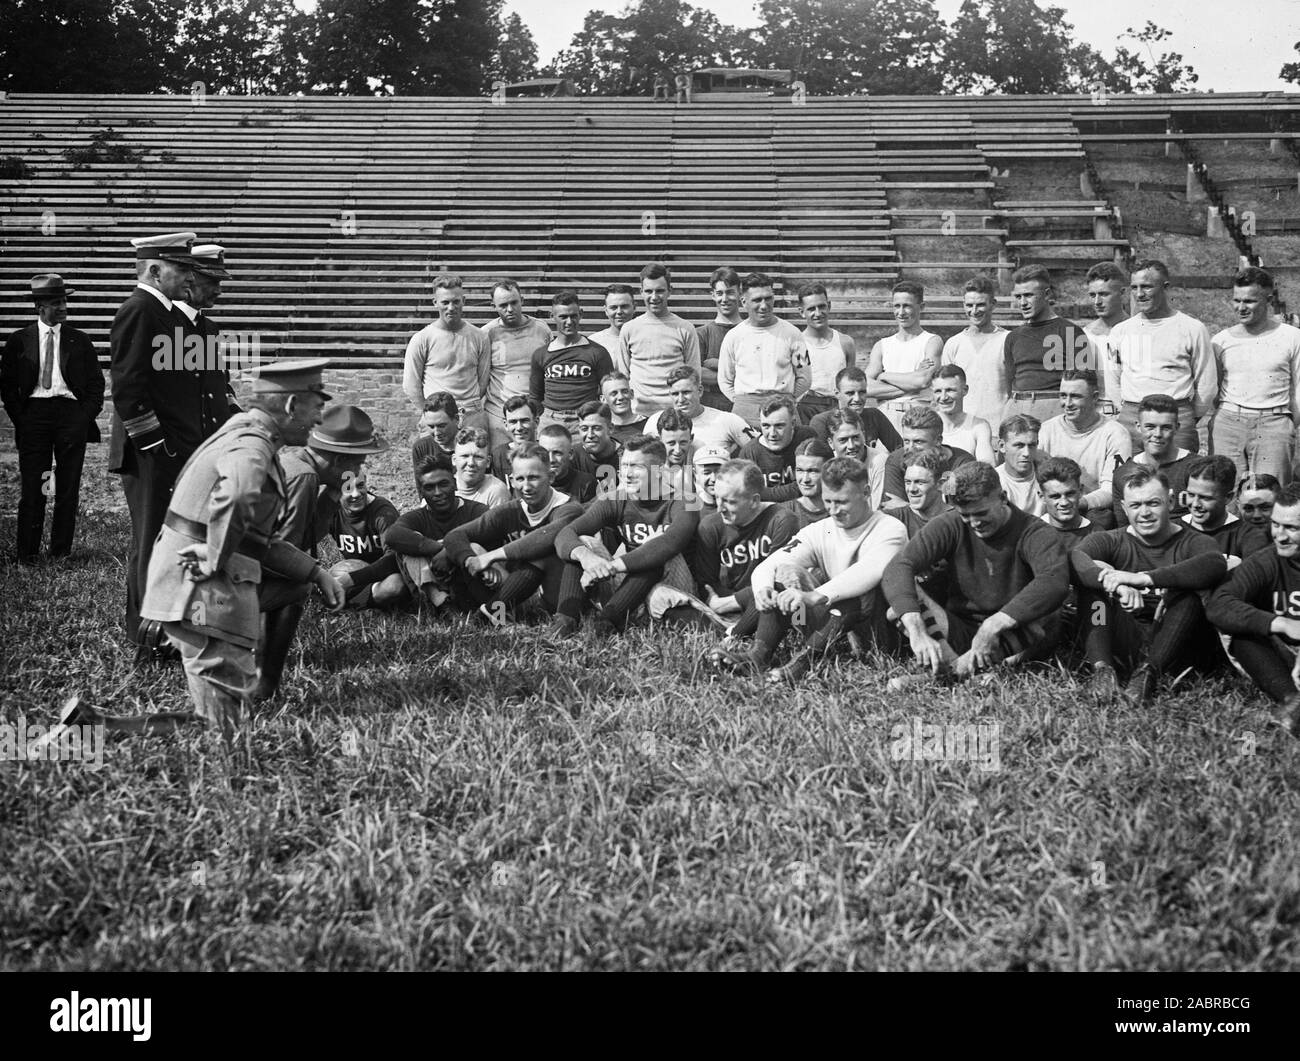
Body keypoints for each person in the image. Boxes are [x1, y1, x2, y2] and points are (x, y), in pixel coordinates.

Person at [53, 361, 346, 745]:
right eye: (315, 406)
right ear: (291, 406)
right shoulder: (253, 446)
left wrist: (315, 573)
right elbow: (238, 496)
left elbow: (255, 538)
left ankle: (90, 727)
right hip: (205, 596)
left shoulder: (243, 432)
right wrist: (214, 554)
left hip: (193, 591)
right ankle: (90, 734)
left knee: (220, 722)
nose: (318, 417)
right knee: (225, 734)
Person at [882, 461, 1069, 686]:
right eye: (965, 515)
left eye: (981, 512)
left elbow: (1054, 581)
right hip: (959, 629)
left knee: (1047, 614)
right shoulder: (950, 524)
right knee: (900, 608)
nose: (974, 522)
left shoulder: (1035, 531)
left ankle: (945, 676)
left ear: (1003, 497)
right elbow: (899, 565)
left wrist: (994, 624)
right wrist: (916, 628)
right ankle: (962, 672)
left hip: (1010, 634)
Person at [723, 456, 906, 684]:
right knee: (783, 574)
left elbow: (867, 574)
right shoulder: (822, 529)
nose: (833, 510)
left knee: (858, 593)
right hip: (838, 625)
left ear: (866, 492)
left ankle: (802, 663)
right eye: (828, 501)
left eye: (842, 502)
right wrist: (763, 590)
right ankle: (759, 655)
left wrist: (812, 595)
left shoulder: (890, 528)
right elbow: (770, 564)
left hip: (881, 631)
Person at [107, 231, 201, 658]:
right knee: (150, 546)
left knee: (168, 546)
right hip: (151, 454)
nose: (188, 277)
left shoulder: (168, 315)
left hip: (171, 451)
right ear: (154, 270)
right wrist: (156, 445)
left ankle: (166, 631)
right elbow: (127, 388)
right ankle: (146, 642)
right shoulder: (139, 310)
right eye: (180, 269)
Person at [257, 405, 388, 701]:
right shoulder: (303, 478)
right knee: (297, 584)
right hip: (229, 586)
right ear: (339, 458)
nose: (356, 474)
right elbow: (285, 556)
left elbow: (303, 539)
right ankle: (264, 680)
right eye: (356, 464)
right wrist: (318, 576)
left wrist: (331, 498)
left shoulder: (296, 463)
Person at [1072, 468, 1226, 703]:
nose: (1144, 513)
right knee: (1094, 591)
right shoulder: (1111, 539)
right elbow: (1077, 559)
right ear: (1123, 508)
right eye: (1135, 505)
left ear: (1171, 502)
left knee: (1190, 594)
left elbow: (1214, 564)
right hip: (1126, 637)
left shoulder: (1194, 541)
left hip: (1176, 642)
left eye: (1153, 503)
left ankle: (1148, 674)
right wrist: (1116, 584)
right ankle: (1103, 671)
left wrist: (1143, 578)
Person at [1, 273, 104, 563]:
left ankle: (61, 552)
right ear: (40, 306)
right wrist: (22, 419)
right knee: (35, 486)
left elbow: (97, 384)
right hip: (34, 416)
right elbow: (8, 386)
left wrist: (83, 417)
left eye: (64, 302)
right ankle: (28, 553)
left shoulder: (79, 341)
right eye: (56, 303)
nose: (63, 308)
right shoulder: (19, 341)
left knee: (66, 487)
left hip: (71, 416)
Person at [554, 435, 701, 634]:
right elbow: (566, 532)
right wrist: (587, 558)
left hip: (672, 589)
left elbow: (670, 543)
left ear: (660, 471)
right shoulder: (616, 498)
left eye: (636, 467)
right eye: (624, 466)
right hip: (629, 586)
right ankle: (564, 621)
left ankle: (606, 623)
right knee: (582, 542)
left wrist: (611, 566)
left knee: (657, 546)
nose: (627, 474)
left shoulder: (685, 501)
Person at [442, 445, 586, 630]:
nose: (526, 486)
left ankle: (565, 622)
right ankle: (497, 616)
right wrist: (470, 559)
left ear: (550, 477)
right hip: (521, 591)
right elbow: (455, 535)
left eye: (534, 477)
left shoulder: (569, 508)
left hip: (565, 592)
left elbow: (545, 538)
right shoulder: (511, 509)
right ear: (511, 480)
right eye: (520, 479)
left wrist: (492, 556)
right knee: (474, 548)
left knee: (550, 550)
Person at [1205, 482, 1300, 735]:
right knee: (1242, 632)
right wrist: (1279, 623)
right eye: (1276, 524)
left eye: (1291, 528)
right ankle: (1292, 702)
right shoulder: (1267, 560)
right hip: (1284, 654)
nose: (1280, 535)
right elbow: (1220, 604)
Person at [1104, 259, 1216, 453]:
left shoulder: (1192, 328)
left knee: (1177, 477)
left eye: (1147, 287)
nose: (1139, 294)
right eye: (1134, 287)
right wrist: (1127, 411)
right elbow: (1113, 379)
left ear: (1165, 287)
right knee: (1131, 478)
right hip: (1132, 416)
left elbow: (1206, 383)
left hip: (1176, 415)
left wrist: (1186, 416)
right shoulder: (1121, 331)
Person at [356, 454, 489, 612]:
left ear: (455, 483)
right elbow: (393, 535)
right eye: (429, 487)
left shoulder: (478, 511)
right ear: (421, 491)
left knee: (473, 546)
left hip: (471, 584)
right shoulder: (417, 517)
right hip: (435, 584)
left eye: (443, 484)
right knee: (406, 546)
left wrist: (450, 552)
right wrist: (440, 549)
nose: (438, 492)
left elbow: (490, 539)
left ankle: (482, 609)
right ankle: (442, 605)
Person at [674, 459, 798, 628]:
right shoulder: (711, 526)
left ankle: (737, 632)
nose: (720, 508)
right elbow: (707, 583)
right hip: (730, 604)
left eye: (729, 502)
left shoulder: (781, 520)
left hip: (770, 603)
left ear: (754, 501)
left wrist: (725, 603)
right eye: (717, 498)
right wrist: (723, 602)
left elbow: (778, 580)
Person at [1211, 266, 1300, 485]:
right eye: (1236, 300)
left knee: (1271, 493)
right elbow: (1213, 387)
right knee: (1226, 493)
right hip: (1229, 423)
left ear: (1268, 300)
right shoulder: (1221, 340)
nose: (1241, 307)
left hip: (1273, 423)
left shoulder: (1291, 337)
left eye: (1249, 301)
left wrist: (1285, 424)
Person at [1037, 369, 1130, 530]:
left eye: (1076, 396)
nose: (1067, 403)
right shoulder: (1046, 430)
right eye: (1063, 395)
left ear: (1094, 397)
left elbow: (1111, 490)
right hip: (1054, 506)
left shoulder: (1115, 433)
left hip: (1091, 510)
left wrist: (1078, 503)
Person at [717, 272, 810, 427]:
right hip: (745, 409)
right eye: (757, 300)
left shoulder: (793, 333)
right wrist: (742, 402)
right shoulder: (734, 336)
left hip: (783, 407)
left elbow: (805, 377)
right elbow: (724, 379)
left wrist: (788, 399)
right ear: (744, 301)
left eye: (768, 298)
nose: (764, 305)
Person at [402, 274, 491, 431]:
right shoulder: (422, 339)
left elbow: (483, 381)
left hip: (471, 415)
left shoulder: (480, 336)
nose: (451, 307)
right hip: (436, 418)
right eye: (445, 302)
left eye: (456, 301)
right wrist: (431, 413)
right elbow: (411, 386)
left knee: (474, 455)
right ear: (435, 303)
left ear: (464, 301)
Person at [616, 264, 702, 415]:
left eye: (660, 291)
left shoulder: (685, 328)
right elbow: (623, 377)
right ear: (641, 292)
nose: (654, 297)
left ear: (670, 291)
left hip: (675, 414)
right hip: (639, 414)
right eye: (649, 291)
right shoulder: (629, 329)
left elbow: (694, 376)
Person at [173, 242, 240, 432]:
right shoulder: (162, 323)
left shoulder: (209, 328)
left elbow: (219, 383)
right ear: (189, 280)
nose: (219, 291)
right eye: (212, 282)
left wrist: (236, 416)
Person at [1003, 264, 1077, 427]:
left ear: (1047, 294)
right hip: (1017, 407)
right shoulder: (1013, 337)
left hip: (1054, 408)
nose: (1023, 303)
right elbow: (1009, 382)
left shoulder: (1070, 331)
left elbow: (1084, 384)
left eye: (1029, 295)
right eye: (1018, 296)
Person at [530, 290, 613, 435]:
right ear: (552, 316)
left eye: (573, 316)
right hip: (550, 419)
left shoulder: (597, 352)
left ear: (581, 314)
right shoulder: (541, 354)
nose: (569, 322)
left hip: (584, 420)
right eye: (563, 317)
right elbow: (535, 397)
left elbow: (609, 391)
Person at [862, 281, 942, 430]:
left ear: (921, 307)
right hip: (886, 414)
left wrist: (884, 376)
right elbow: (864, 387)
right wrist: (912, 382)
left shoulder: (932, 341)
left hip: (920, 414)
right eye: (897, 306)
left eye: (907, 306)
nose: (901, 312)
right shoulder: (882, 345)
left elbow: (923, 381)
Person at [484, 278, 552, 445]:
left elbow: (549, 371)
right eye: (503, 305)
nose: (510, 309)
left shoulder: (541, 329)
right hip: (499, 415)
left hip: (534, 414)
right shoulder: (486, 334)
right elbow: (481, 376)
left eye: (514, 303)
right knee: (502, 465)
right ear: (494, 306)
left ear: (522, 300)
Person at [1112, 394, 1196, 528]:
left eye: (1166, 427)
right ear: (1138, 427)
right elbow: (1123, 526)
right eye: (1150, 427)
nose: (1157, 434)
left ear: (1177, 428)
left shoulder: (1195, 468)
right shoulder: (1123, 473)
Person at [942, 275, 1008, 434]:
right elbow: (944, 389)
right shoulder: (953, 343)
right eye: (969, 305)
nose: (974, 311)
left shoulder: (1007, 339)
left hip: (998, 427)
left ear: (993, 304)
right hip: (963, 429)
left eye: (980, 305)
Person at [327, 468, 401, 608]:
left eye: (360, 486)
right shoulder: (332, 511)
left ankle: (349, 601)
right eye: (347, 488)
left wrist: (348, 580)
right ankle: (357, 600)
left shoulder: (383, 513)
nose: (356, 494)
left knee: (395, 585)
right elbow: (305, 543)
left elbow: (394, 559)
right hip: (353, 574)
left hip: (383, 576)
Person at [1181, 454, 1269, 565]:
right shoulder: (1175, 530)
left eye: (1205, 498)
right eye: (1191, 495)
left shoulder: (1248, 536)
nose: (1195, 504)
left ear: (1228, 498)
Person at [880, 407, 975, 508]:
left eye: (918, 442)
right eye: (907, 441)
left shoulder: (963, 464)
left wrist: (906, 507)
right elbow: (893, 508)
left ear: (938, 440)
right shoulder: (896, 460)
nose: (910, 448)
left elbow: (959, 512)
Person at [644, 366, 753, 453]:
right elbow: (646, 462)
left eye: (686, 392)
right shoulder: (655, 422)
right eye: (675, 394)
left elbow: (759, 449)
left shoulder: (727, 421)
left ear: (700, 390)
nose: (681, 399)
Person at [736, 395, 815, 502]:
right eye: (766, 426)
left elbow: (819, 479)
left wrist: (764, 493)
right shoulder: (749, 453)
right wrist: (797, 488)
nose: (772, 434)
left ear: (792, 423)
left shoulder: (806, 437)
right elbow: (747, 494)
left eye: (779, 426)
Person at [797, 282, 856, 425]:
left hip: (837, 406)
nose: (818, 313)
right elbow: (798, 381)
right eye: (811, 309)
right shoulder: (799, 345)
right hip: (808, 406)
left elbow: (850, 382)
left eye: (821, 306)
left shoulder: (845, 342)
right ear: (801, 311)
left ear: (829, 306)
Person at [807, 366, 901, 453]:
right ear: (837, 393)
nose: (857, 398)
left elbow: (900, 451)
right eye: (850, 393)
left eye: (862, 392)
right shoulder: (821, 422)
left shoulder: (874, 416)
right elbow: (818, 462)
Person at [1082, 261, 1129, 406]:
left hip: (1130, 409)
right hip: (1096, 410)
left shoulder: (1137, 331)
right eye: (1092, 295)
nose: (1097, 301)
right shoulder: (1085, 335)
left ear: (1122, 293)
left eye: (1104, 294)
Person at [697, 267, 743, 410]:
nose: (724, 299)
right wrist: (740, 373)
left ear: (740, 293)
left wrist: (717, 364)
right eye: (719, 293)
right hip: (711, 406)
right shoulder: (702, 333)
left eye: (730, 292)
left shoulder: (751, 331)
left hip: (743, 404)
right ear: (713, 295)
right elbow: (696, 374)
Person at [931, 364, 995, 464]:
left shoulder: (978, 426)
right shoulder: (927, 424)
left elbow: (988, 467)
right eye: (938, 391)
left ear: (964, 390)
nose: (943, 397)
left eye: (950, 390)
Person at [1036, 457, 1095, 546]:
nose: (1064, 502)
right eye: (1055, 496)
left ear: (1080, 491)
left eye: (1070, 494)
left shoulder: (1097, 535)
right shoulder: (1031, 535)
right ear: (1042, 497)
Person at [996, 414, 1046, 517]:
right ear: (1002, 446)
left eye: (1032, 445)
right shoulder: (994, 481)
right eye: (1019, 445)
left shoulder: (1047, 477)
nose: (1026, 453)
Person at [896, 447, 950, 539]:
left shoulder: (958, 522)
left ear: (941, 485)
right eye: (908, 482)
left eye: (920, 482)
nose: (912, 489)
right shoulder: (894, 519)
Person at [782, 437, 834, 530]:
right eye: (800, 470)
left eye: (813, 471)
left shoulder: (842, 512)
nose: (805, 479)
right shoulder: (783, 513)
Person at [538, 424, 598, 503]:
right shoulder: (531, 483)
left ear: (570, 454)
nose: (551, 460)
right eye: (545, 453)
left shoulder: (586, 484)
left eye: (557, 453)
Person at [452, 427, 511, 507]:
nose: (471, 463)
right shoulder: (445, 487)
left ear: (488, 462)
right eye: (465, 456)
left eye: (478, 457)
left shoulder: (496, 490)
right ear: (454, 460)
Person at [573, 399, 623, 490]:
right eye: (584, 429)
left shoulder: (627, 456)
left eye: (596, 428)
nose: (590, 435)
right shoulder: (573, 456)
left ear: (610, 429)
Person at [490, 395, 540, 481]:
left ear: (536, 422)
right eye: (513, 422)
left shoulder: (546, 453)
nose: (519, 427)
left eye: (524, 421)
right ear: (506, 425)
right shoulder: (498, 455)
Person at [589, 284, 637, 369]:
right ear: (606, 310)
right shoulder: (594, 343)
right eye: (613, 307)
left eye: (624, 306)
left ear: (634, 307)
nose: (619, 312)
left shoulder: (644, 338)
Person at [411, 392, 459, 467]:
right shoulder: (422, 448)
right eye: (431, 427)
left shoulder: (472, 445)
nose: (436, 433)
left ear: (456, 419)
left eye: (441, 426)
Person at [600, 371, 647, 441]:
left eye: (624, 392)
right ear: (603, 399)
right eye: (614, 393)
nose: (620, 397)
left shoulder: (649, 425)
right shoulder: (601, 430)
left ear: (631, 394)